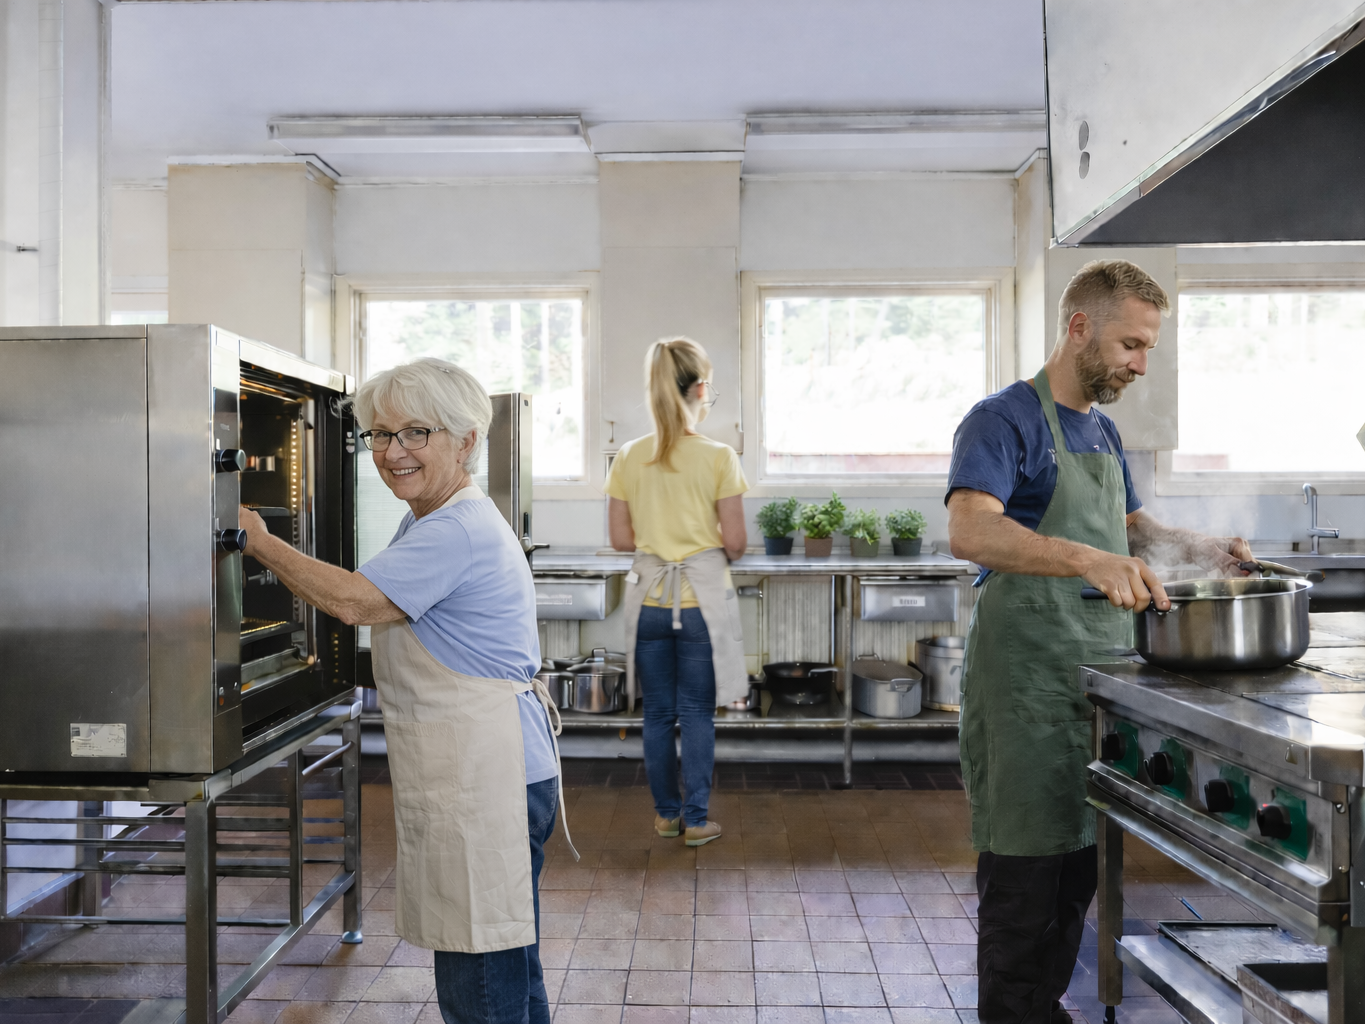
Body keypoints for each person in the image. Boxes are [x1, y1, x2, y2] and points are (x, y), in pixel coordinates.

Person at [945, 260, 1252, 1024]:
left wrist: (1200, 548)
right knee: (1025, 872)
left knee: (1077, 866)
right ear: (1078, 327)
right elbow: (971, 530)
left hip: (1095, 682)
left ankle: (1040, 1010)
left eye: (1148, 348)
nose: (1140, 365)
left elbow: (1128, 528)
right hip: (1025, 685)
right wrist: (1086, 559)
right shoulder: (1002, 419)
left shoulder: (1102, 430)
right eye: (1130, 345)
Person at [239, 357, 571, 1024]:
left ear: (466, 441)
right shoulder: (428, 518)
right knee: (504, 956)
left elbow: (355, 602)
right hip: (483, 767)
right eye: (381, 435)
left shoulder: (455, 529)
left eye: (416, 433)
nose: (393, 453)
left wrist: (259, 542)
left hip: (487, 774)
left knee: (481, 979)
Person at [605, 337, 749, 847]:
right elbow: (736, 543)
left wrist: (660, 540)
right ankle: (697, 820)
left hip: (648, 603)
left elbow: (620, 539)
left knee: (658, 715)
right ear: (701, 389)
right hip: (698, 608)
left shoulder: (628, 455)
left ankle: (666, 817)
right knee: (696, 714)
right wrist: (700, 543)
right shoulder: (719, 456)